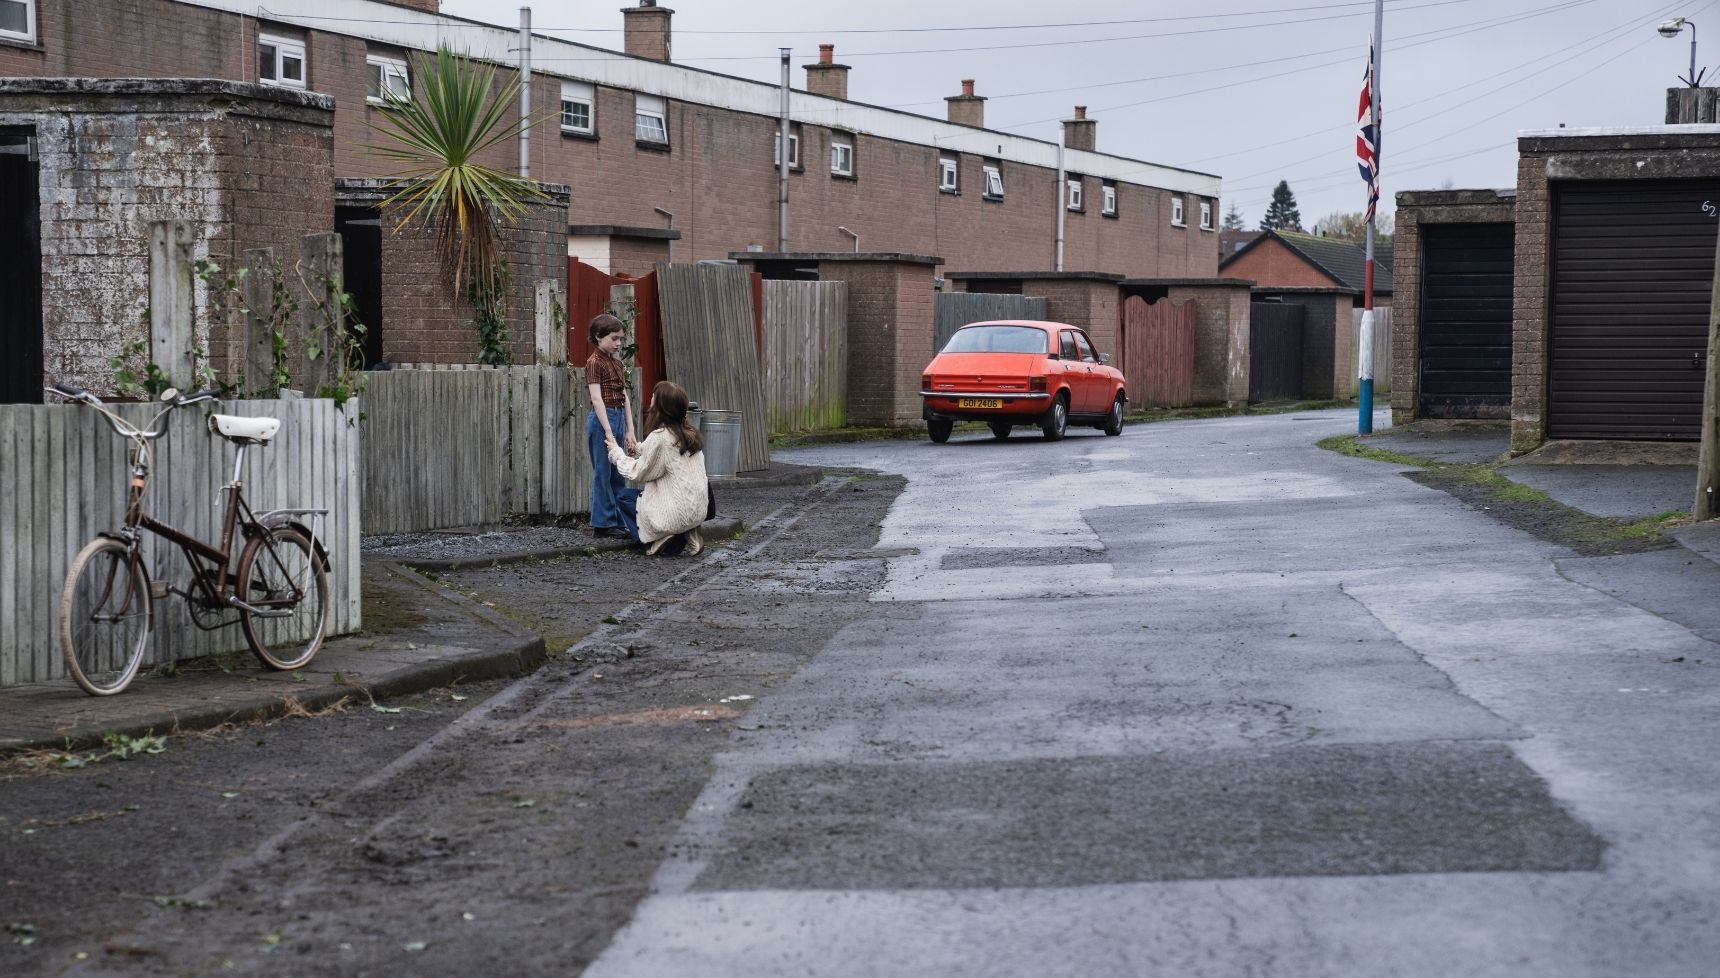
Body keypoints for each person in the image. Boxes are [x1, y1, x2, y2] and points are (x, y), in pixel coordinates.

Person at [606, 381, 709, 556]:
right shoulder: (690, 433)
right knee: (666, 489)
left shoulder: (659, 438)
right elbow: (664, 456)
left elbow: (638, 472)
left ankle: (654, 541)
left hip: (676, 513)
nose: (651, 398)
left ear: (662, 407)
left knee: (624, 497)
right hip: (698, 510)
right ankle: (690, 533)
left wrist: (616, 454)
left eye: (654, 396)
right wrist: (638, 449)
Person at [584, 314, 639, 541]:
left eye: (621, 339)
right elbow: (597, 399)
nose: (618, 343)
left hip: (617, 417)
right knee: (603, 473)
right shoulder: (594, 362)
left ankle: (618, 520)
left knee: (619, 472)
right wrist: (608, 432)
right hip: (602, 420)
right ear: (599, 337)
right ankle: (602, 523)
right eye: (614, 338)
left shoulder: (616, 363)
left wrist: (630, 430)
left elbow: (624, 396)